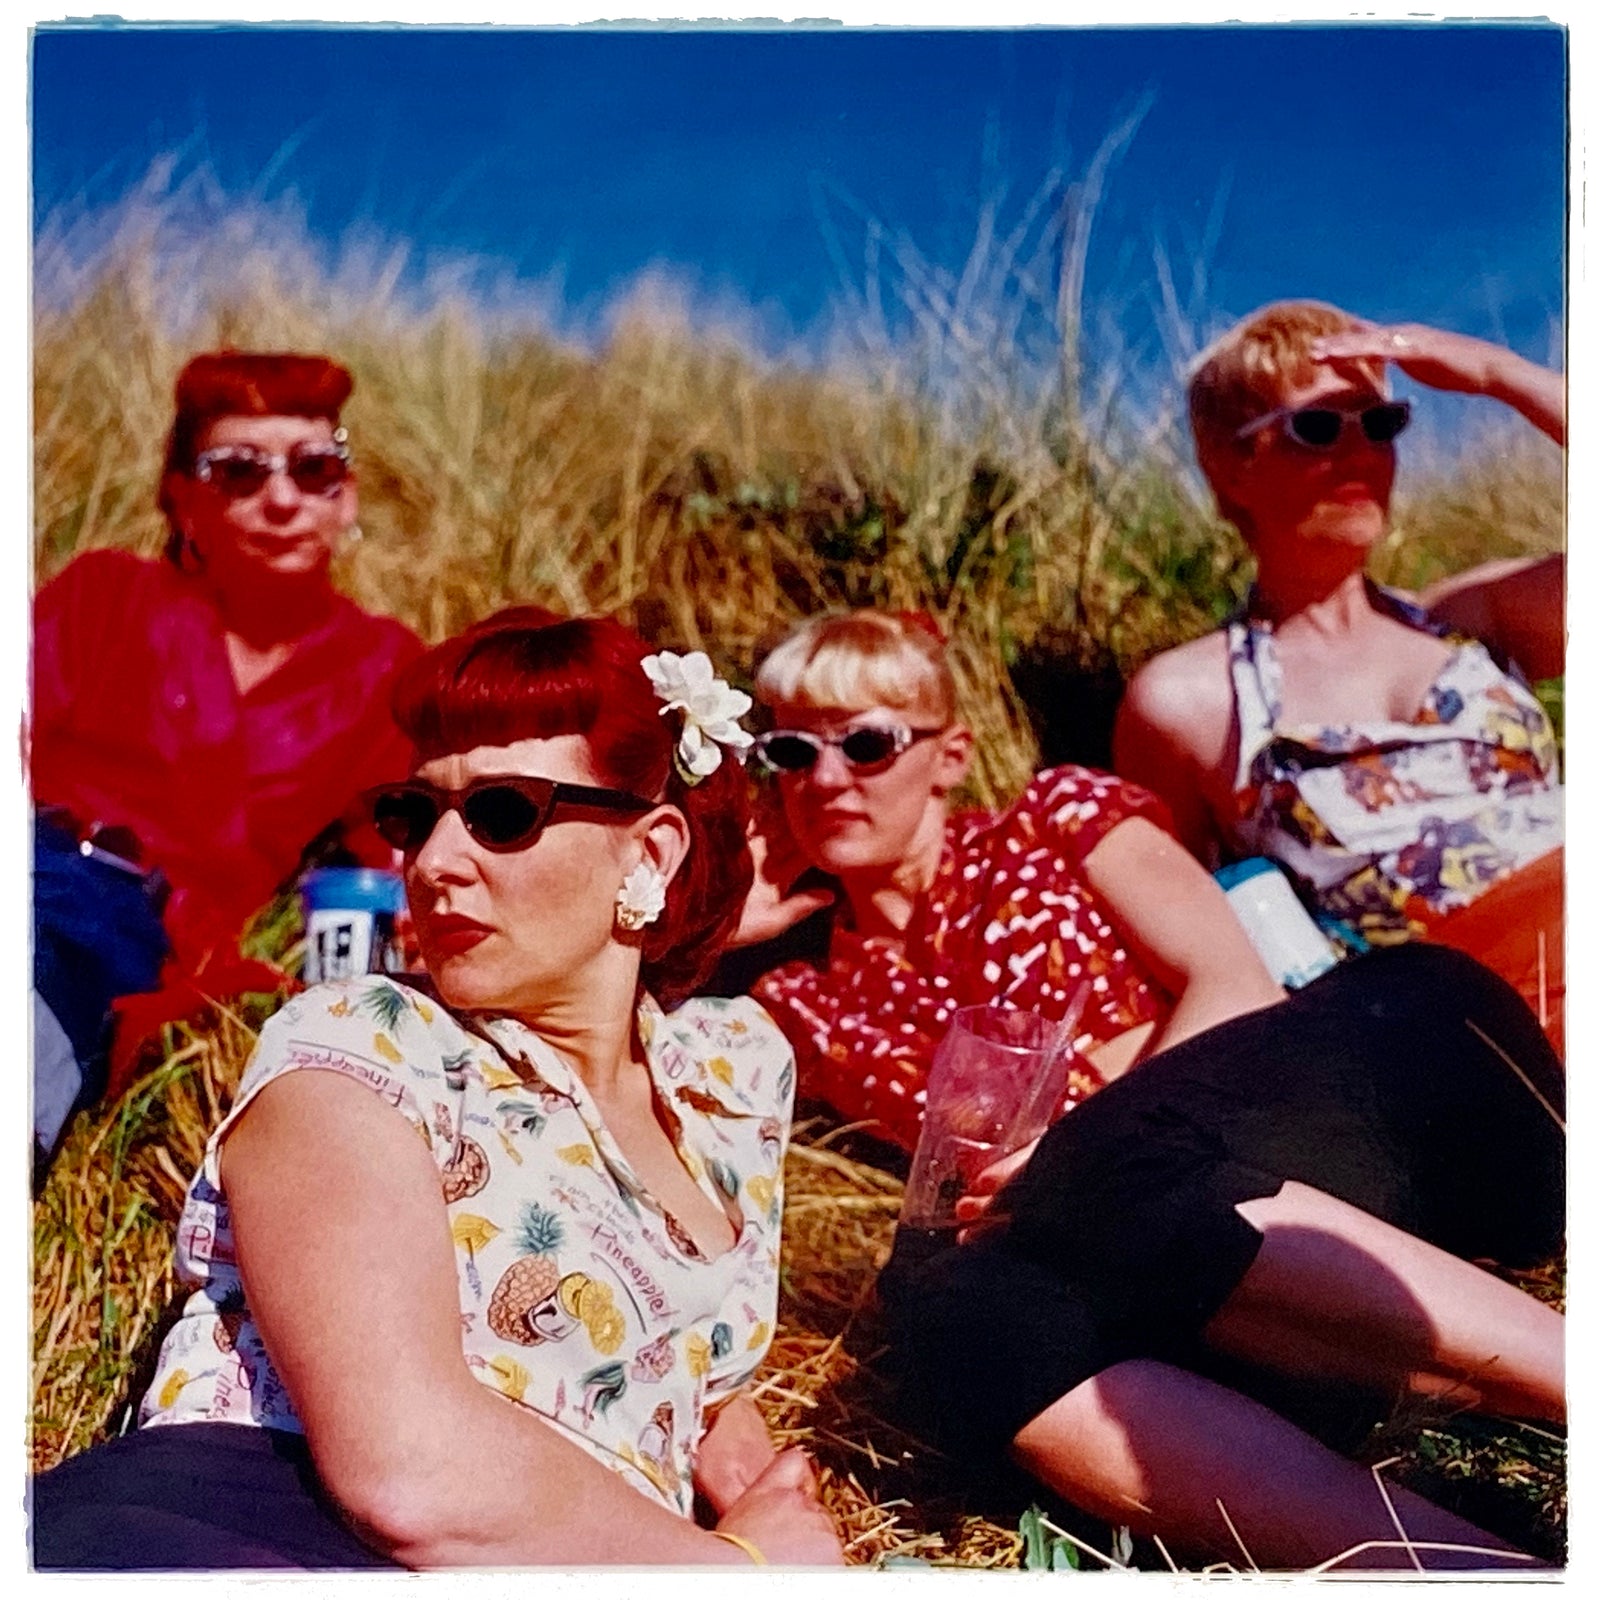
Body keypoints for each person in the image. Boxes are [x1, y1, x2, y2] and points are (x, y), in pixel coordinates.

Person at [740, 609, 1563, 1571]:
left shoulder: (1055, 815)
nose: (827, 780)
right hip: (1194, 1248)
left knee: (1101, 1170)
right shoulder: (807, 997)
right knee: (950, 1316)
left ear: (951, 754)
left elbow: (1232, 979)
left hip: (1389, 1073)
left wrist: (1070, 1153)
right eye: (791, 752)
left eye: (866, 743)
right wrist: (712, 920)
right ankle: (1479, 1575)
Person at [31, 609, 844, 1570]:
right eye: (415, 816)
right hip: (242, 1528)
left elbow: (687, 1360)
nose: (434, 863)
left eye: (504, 812)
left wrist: (766, 1501)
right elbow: (404, 1472)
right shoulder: (361, 1038)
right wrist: (739, 1571)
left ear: (651, 854)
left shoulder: (730, 1078)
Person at [1113, 305, 1564, 1048]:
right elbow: (1175, 927)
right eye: (1319, 428)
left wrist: (1498, 375)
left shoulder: (1475, 619)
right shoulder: (1192, 699)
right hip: (1454, 1024)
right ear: (1232, 465)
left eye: (1380, 423)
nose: (1360, 454)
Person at [30, 351, 424, 1159]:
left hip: (138, 935)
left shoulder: (381, 667)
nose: (282, 499)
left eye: (314, 469)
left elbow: (402, 852)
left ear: (344, 496)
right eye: (239, 472)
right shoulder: (105, 595)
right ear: (184, 498)